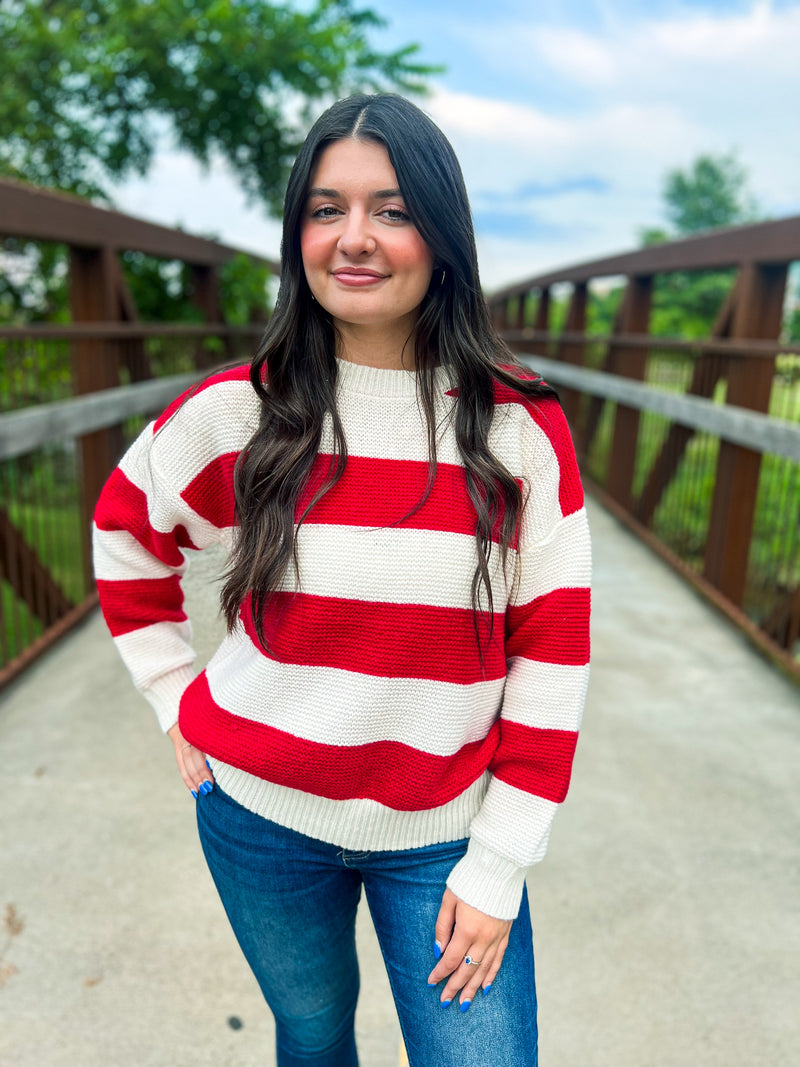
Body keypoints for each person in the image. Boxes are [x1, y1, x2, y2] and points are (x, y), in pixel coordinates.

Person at [93, 92, 591, 1066]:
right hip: (258, 817)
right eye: (325, 209)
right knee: (314, 1034)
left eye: (391, 209)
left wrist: (498, 862)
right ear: (298, 233)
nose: (353, 238)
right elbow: (125, 534)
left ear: (442, 236)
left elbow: (551, 655)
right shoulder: (238, 411)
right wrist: (171, 695)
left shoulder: (518, 426)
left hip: (444, 831)